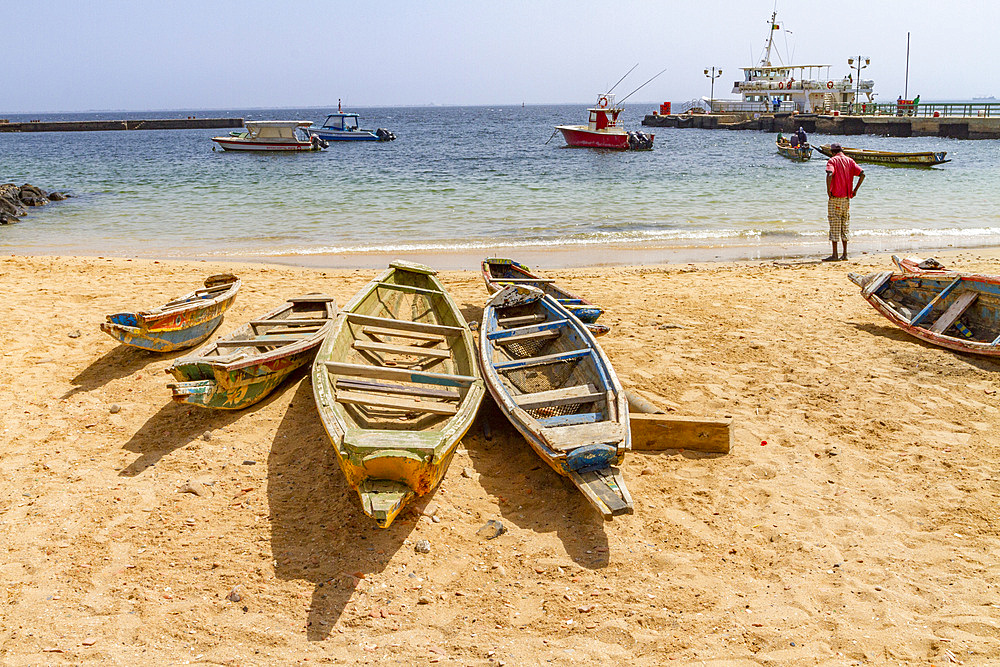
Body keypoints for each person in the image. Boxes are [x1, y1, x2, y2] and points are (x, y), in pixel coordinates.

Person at [823, 143, 865, 261]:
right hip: (846, 199)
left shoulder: (832, 161)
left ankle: (835, 255)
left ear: (832, 152)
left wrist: (828, 190)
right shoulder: (850, 161)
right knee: (845, 224)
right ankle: (845, 254)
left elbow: (830, 173)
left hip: (835, 198)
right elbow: (862, 174)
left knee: (834, 224)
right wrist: (855, 190)